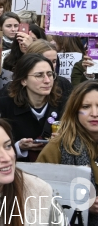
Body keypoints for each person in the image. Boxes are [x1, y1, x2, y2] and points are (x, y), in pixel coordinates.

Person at [37, 80, 98, 224]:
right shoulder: (58, 146)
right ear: (75, 110)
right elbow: (37, 193)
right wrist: (81, 204)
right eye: (86, 107)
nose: (94, 113)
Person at [0, 53, 65, 162]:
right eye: (39, 75)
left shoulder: (64, 104)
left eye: (50, 74)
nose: (47, 80)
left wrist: (62, 141)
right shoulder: (5, 105)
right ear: (23, 80)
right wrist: (19, 147)